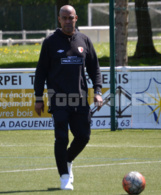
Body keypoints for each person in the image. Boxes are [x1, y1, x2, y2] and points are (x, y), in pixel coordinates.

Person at [34, 5, 103, 190]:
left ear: (76, 18)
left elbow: (94, 68)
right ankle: (64, 176)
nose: (67, 21)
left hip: (80, 98)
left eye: (70, 17)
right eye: (64, 18)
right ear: (59, 19)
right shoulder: (50, 42)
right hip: (58, 99)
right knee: (61, 138)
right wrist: (38, 97)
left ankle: (68, 160)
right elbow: (41, 71)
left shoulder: (84, 40)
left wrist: (98, 91)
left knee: (83, 136)